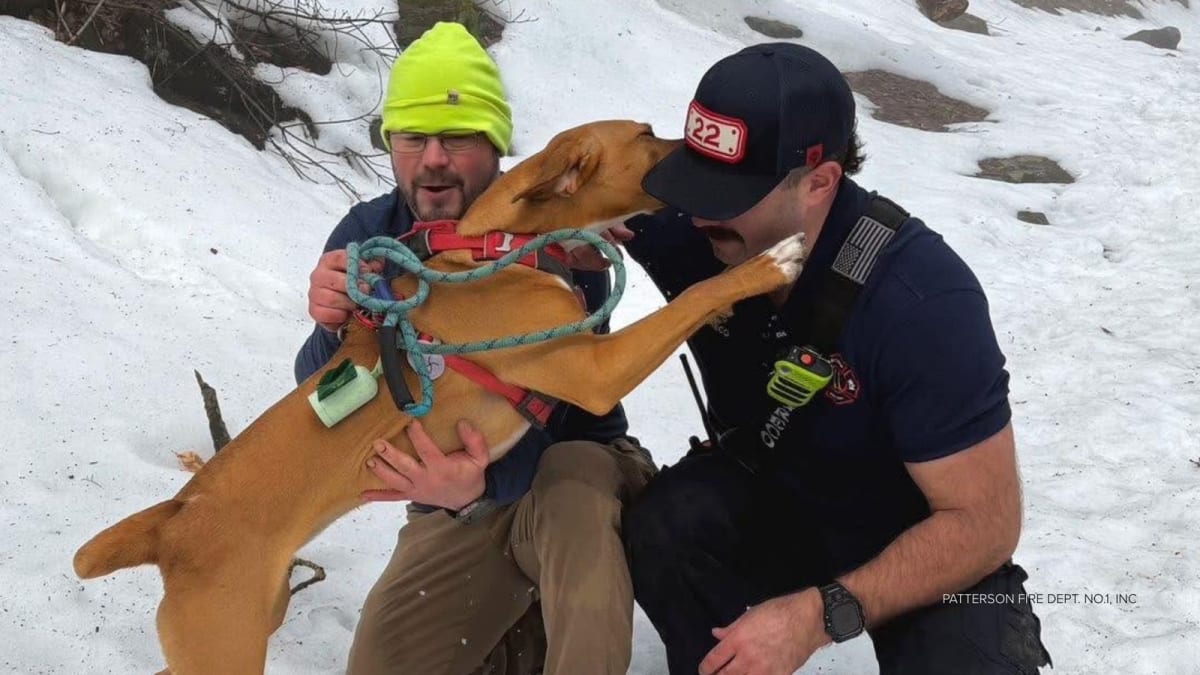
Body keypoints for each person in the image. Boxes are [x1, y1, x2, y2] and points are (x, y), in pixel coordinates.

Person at [616, 43, 1054, 674]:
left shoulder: (922, 300)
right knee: (667, 526)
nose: (700, 210)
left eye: (729, 191)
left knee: (970, 659)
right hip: (771, 497)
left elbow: (985, 525)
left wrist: (821, 614)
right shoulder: (701, 231)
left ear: (820, 181)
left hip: (915, 534)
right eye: (694, 180)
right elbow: (548, 206)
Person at [293, 22, 655, 675]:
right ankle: (518, 634)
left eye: (457, 136)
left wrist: (475, 489)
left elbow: (550, 412)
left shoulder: (554, 233)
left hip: (569, 472)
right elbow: (327, 403)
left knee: (573, 493)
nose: (433, 157)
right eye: (412, 136)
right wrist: (329, 329)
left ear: (494, 146)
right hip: (456, 504)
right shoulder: (372, 233)